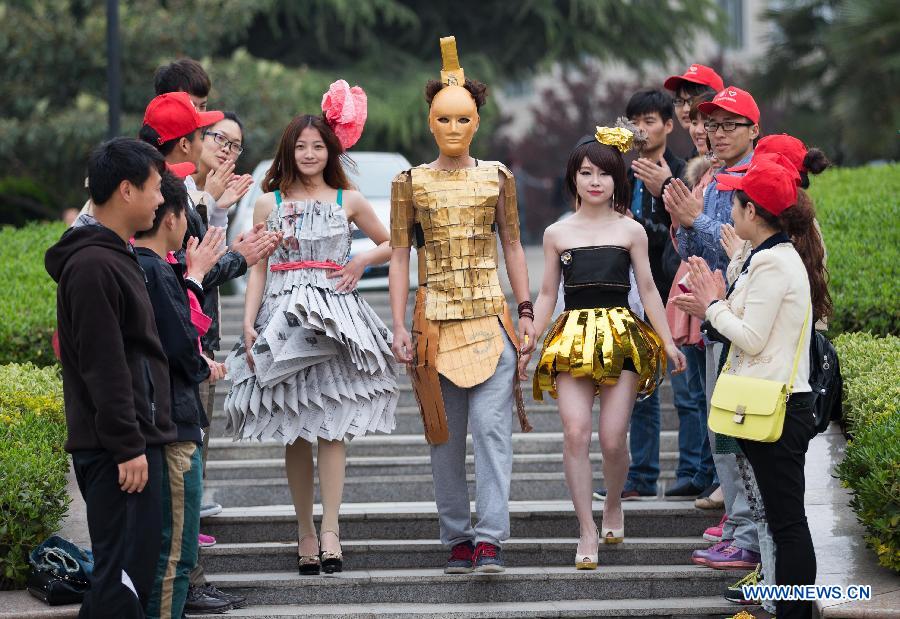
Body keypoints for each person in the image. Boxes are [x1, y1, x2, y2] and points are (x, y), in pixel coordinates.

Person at [224, 80, 398, 576]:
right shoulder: (267, 203)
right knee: (294, 429)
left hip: (336, 319)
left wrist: (362, 260)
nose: (309, 153)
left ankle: (331, 531)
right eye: (300, 146)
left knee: (333, 426)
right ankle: (304, 531)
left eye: (318, 145)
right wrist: (249, 321)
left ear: (331, 150)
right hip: (282, 318)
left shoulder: (350, 199)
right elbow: (257, 267)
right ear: (288, 150)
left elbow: (396, 244)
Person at [389, 37, 535, 574]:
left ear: (477, 122)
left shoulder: (498, 177)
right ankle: (457, 537)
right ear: (430, 122)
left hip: (491, 318)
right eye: (443, 119)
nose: (453, 128)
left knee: (492, 432)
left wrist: (525, 311)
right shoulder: (409, 182)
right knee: (442, 437)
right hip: (432, 323)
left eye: (462, 119)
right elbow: (400, 256)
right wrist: (399, 323)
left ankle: (491, 538)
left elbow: (514, 245)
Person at [674, 153, 829, 619]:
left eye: (735, 203)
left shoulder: (775, 264)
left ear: (751, 212)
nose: (730, 210)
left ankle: (797, 613)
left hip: (780, 411)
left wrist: (714, 307)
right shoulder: (766, 258)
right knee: (784, 522)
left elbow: (752, 337)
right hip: (774, 407)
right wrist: (713, 306)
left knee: (786, 523)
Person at [140, 90, 276, 612]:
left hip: (193, 356)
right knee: (180, 492)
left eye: (232, 143)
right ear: (185, 141)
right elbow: (183, 279)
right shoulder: (166, 197)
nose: (222, 149)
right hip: (175, 371)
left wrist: (213, 208)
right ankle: (184, 588)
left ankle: (186, 583)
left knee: (188, 484)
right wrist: (237, 255)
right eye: (212, 136)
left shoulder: (183, 193)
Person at [527, 124, 686, 569]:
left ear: (618, 180)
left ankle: (613, 502)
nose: (595, 181)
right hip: (571, 338)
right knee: (576, 433)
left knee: (614, 439)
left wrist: (669, 342)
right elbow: (545, 296)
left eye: (604, 174)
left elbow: (650, 290)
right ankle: (586, 529)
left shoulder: (631, 230)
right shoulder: (556, 233)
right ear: (573, 179)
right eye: (586, 173)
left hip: (622, 337)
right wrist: (529, 340)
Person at [45, 137, 174, 618]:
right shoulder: (93, 265)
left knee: (127, 581)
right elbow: (104, 365)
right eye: (156, 188)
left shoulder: (113, 254)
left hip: (131, 442)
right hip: (118, 451)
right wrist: (127, 446)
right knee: (120, 584)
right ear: (126, 190)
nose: (161, 200)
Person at [663, 86, 763, 571]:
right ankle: (738, 525)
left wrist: (693, 221)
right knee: (719, 428)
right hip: (715, 323)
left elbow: (741, 256)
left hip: (742, 328)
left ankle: (746, 532)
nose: (715, 134)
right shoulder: (719, 176)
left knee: (735, 434)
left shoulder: (758, 181)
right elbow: (695, 256)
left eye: (728, 125)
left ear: (753, 130)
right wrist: (686, 226)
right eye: (712, 125)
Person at [133, 168, 230, 618]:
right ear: (169, 217)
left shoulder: (142, 265)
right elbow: (177, 343)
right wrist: (195, 277)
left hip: (166, 422)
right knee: (175, 554)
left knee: (170, 552)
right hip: (173, 425)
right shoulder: (153, 269)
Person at [615, 88, 709, 501]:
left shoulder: (683, 172)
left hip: (672, 294)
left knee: (687, 393)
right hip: (630, 295)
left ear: (670, 126)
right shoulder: (617, 172)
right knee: (638, 391)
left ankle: (691, 471)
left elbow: (681, 240)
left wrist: (660, 195)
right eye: (634, 121)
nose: (641, 129)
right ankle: (641, 476)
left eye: (650, 120)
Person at [663, 63, 724, 158]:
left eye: (692, 101)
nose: (686, 109)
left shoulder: (732, 163)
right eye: (679, 101)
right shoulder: (690, 161)